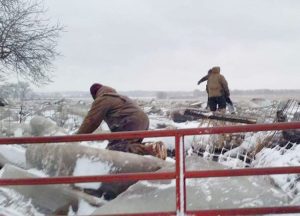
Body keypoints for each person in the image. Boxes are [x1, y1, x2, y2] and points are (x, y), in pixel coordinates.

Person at [76, 83, 167, 160]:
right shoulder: (118, 97)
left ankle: (151, 148)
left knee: (114, 150)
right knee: (128, 146)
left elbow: (91, 121)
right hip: (143, 121)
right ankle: (151, 147)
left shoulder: (103, 99)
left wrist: (76, 139)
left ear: (95, 94)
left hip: (129, 122)